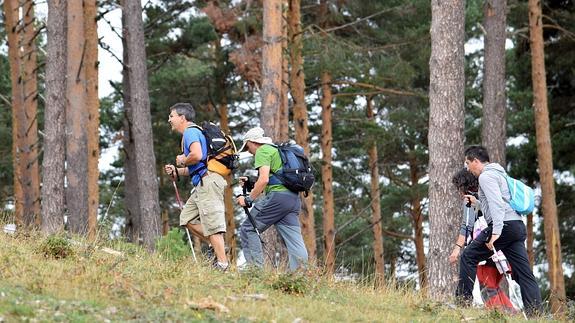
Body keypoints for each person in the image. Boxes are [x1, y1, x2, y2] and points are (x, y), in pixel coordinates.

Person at [457, 145, 542, 316]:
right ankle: (537, 315)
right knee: (523, 273)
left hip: (503, 226)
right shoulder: (499, 174)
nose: (467, 167)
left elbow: (497, 205)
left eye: (468, 163)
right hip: (516, 226)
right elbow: (498, 203)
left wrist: (496, 232)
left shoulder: (485, 177)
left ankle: (462, 303)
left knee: (468, 256)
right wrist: (477, 202)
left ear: (475, 161)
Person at [163, 102, 229, 271]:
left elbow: (197, 155)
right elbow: (198, 165)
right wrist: (178, 171)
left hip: (208, 182)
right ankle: (217, 246)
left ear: (182, 118)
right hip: (202, 181)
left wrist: (182, 159)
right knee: (186, 218)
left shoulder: (191, 132)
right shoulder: (191, 133)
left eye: (172, 116)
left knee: (213, 225)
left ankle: (222, 265)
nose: (169, 119)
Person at [235, 127, 308, 271]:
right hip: (292, 200)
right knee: (295, 242)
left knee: (248, 229)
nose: (248, 151)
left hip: (277, 199)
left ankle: (256, 272)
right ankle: (301, 275)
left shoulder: (262, 151)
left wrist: (248, 199)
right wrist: (251, 182)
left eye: (247, 146)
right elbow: (277, 177)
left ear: (252, 142)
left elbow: (264, 180)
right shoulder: (276, 151)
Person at [450, 168, 515, 312]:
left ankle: (499, 315)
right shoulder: (485, 195)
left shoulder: (470, 199)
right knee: (493, 286)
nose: (459, 192)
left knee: (487, 287)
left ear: (463, 186)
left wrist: (456, 249)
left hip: (486, 248)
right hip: (501, 247)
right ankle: (510, 313)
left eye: (458, 188)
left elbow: (466, 226)